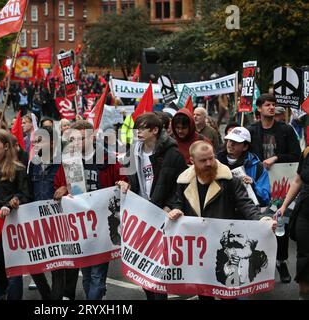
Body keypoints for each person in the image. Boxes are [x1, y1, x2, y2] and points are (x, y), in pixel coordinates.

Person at [167, 140, 276, 299]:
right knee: (204, 291)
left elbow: (246, 205)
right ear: (192, 161)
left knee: (229, 292)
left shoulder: (229, 179)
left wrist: (262, 220)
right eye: (203, 160)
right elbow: (178, 203)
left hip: (226, 247)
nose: (209, 163)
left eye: (211, 158)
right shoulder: (183, 181)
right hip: (200, 248)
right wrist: (176, 210)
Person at [54, 120, 126, 300]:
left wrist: (123, 184)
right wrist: (61, 190)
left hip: (103, 227)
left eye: (81, 139)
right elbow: (59, 187)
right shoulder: (70, 160)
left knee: (96, 277)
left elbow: (123, 182)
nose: (76, 143)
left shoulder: (108, 160)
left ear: (92, 136)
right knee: (86, 276)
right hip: (81, 228)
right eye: (73, 139)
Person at [117, 113, 187, 300]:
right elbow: (127, 176)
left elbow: (180, 186)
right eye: (137, 127)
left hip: (160, 214)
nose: (137, 131)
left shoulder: (173, 154)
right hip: (140, 213)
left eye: (142, 127)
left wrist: (169, 205)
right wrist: (125, 184)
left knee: (159, 267)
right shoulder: (133, 150)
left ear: (155, 130)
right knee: (143, 266)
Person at [247, 94, 300, 283]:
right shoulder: (251, 131)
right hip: (257, 186)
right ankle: (257, 264)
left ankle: (281, 261)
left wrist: (276, 158)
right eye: (267, 105)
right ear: (259, 108)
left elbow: (296, 155)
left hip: (280, 186)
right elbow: (242, 154)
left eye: (274, 105)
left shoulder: (285, 130)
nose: (271, 108)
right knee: (258, 224)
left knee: (280, 225)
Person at [0, 129, 31, 300]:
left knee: (13, 271)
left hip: (11, 226)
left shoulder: (18, 169)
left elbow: (25, 194)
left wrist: (12, 203)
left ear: (6, 146)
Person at [27, 126, 65, 300]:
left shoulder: (65, 162)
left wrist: (66, 187)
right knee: (34, 265)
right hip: (37, 221)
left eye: (39, 140)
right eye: (34, 140)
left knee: (58, 267)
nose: (35, 144)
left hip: (59, 221)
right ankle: (47, 297)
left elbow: (79, 188)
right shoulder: (33, 164)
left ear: (52, 142)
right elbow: (27, 191)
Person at [278, 146, 309, 300]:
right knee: (304, 255)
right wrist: (284, 206)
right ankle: (303, 294)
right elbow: (298, 180)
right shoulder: (307, 152)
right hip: (305, 210)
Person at [217, 127, 271, 207]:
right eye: (229, 140)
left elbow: (265, 199)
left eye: (236, 142)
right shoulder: (216, 162)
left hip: (247, 214)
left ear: (245, 147)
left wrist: (253, 185)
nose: (231, 144)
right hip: (221, 212)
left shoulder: (258, 167)